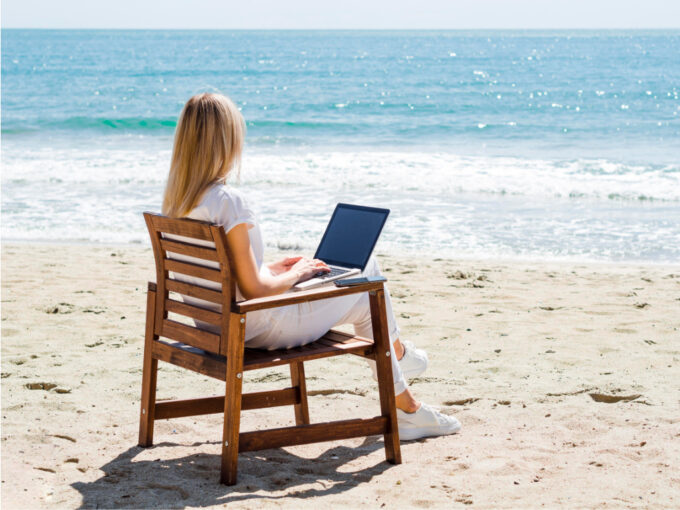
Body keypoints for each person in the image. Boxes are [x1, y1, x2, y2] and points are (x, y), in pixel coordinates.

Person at [162, 93, 461, 440]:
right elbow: (256, 290)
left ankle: (402, 373)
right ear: (226, 141)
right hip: (258, 328)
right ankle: (404, 392)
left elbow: (229, 274)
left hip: (213, 327)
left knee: (362, 286)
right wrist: (298, 274)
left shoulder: (178, 200)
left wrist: (275, 267)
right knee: (368, 281)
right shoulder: (228, 201)